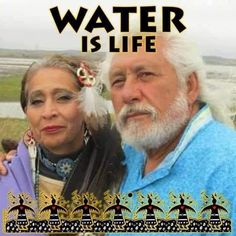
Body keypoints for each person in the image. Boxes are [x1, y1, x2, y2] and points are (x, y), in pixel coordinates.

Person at [101, 31, 236, 235]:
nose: (128, 94)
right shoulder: (134, 150)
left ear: (189, 86)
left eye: (145, 75)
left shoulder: (227, 168)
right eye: (118, 81)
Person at [0, 55, 125, 235]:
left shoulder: (121, 170)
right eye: (36, 101)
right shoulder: (7, 177)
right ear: (26, 111)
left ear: (87, 105)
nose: (48, 112)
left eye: (63, 98)